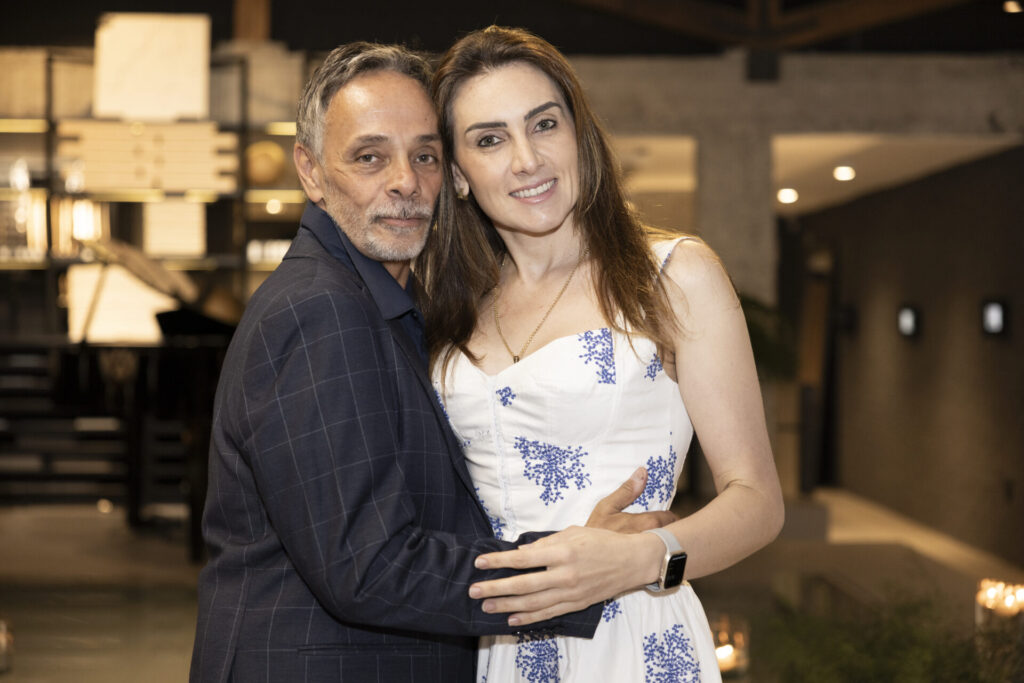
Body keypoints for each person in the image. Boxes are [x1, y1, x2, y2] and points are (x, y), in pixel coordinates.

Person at [190, 41, 673, 683]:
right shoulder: (319, 310)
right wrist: (573, 570)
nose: (405, 181)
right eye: (369, 157)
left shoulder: (396, 304)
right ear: (310, 171)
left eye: (425, 156)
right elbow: (368, 567)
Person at [418, 26, 785, 681]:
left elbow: (757, 501)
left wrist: (639, 558)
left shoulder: (671, 275)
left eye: (544, 124)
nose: (526, 159)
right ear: (458, 175)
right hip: (499, 647)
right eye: (490, 139)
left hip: (635, 635)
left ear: (578, 135)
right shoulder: (452, 307)